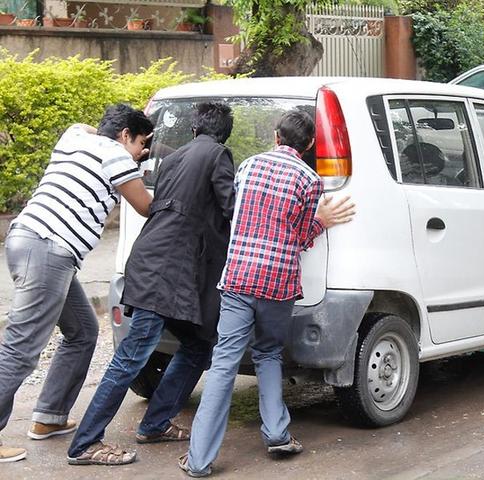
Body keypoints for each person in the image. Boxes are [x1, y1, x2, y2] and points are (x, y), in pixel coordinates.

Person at [180, 109, 356, 477]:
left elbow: (235, 211)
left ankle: (198, 460)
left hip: (240, 277)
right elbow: (303, 237)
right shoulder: (310, 181)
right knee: (269, 352)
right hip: (278, 284)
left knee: (224, 362)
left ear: (276, 136)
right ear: (308, 145)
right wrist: (323, 220)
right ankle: (277, 434)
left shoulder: (248, 167)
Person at [67, 102, 236, 466]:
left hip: (156, 262)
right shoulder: (218, 155)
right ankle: (85, 444)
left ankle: (156, 423)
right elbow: (231, 207)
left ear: (193, 130)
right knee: (130, 358)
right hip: (165, 271)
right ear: (225, 134)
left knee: (198, 343)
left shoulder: (176, 159)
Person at [0, 104, 154, 463]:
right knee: (21, 348)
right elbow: (146, 205)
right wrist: (140, 162)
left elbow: (86, 126)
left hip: (29, 239)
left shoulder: (74, 138)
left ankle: (49, 417)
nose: (142, 152)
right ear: (124, 136)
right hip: (48, 249)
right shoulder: (116, 154)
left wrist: (133, 124)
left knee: (83, 331)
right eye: (141, 143)